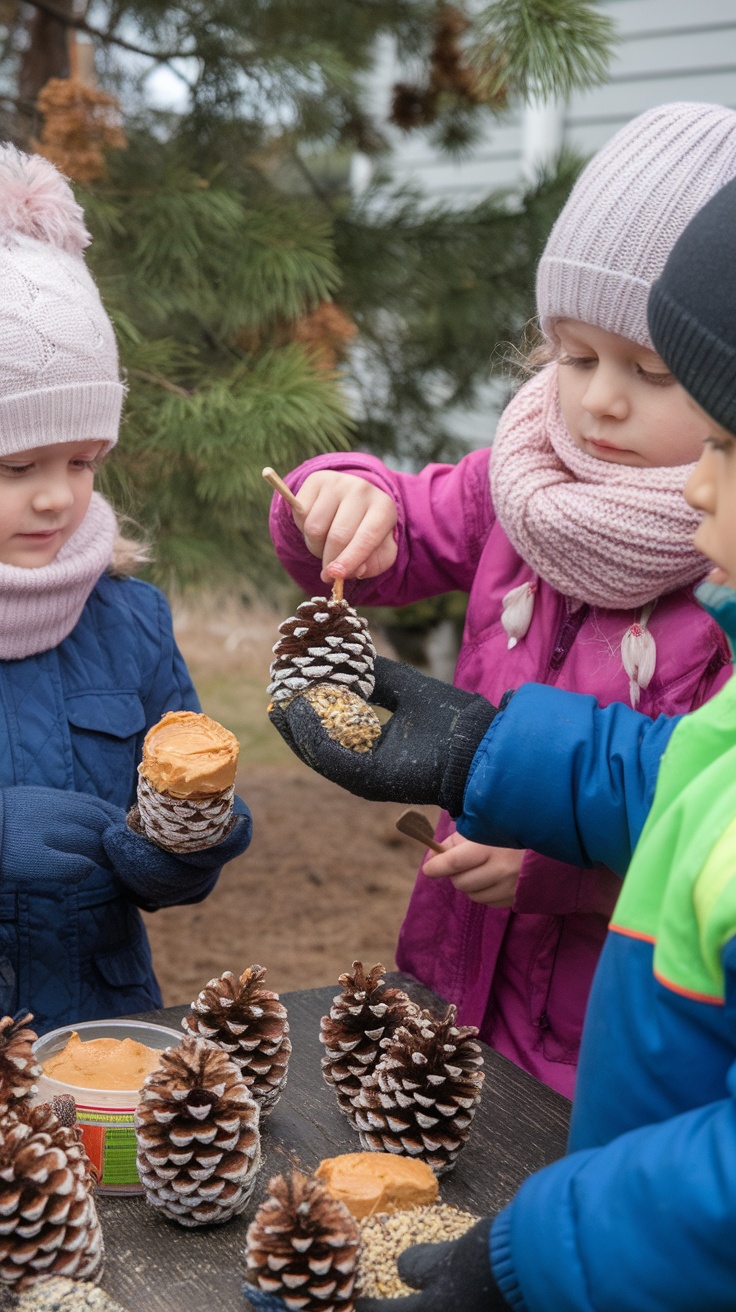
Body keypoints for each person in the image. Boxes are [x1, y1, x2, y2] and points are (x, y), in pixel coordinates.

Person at [269, 172, 736, 1311]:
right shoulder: (520, 483)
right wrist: (339, 503)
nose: (599, 404)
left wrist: (557, 867)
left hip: (598, 1035)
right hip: (455, 973)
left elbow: (693, 840)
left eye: (651, 375)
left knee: (546, 1194)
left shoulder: (711, 579)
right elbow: (409, 509)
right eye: (572, 358)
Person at [0, 145, 251, 1035]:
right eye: (18, 464)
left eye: (82, 460)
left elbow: (176, 817)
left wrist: (185, 843)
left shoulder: (130, 622)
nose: (56, 495)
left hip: (99, 1030)